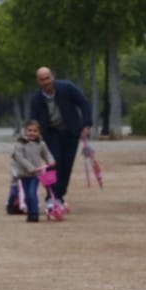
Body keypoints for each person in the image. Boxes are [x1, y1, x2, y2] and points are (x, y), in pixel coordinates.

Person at [28, 67, 92, 209]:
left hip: (70, 131)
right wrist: (32, 136)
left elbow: (84, 103)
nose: (45, 82)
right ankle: (51, 196)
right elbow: (33, 120)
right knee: (53, 164)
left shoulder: (67, 88)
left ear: (53, 77)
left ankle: (59, 196)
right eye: (42, 79)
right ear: (38, 81)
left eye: (47, 78)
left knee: (66, 165)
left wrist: (87, 124)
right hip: (50, 133)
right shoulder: (36, 99)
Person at [9, 119, 53, 224]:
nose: (32, 133)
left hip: (36, 174)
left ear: (39, 132)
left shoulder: (41, 144)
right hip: (24, 174)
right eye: (29, 130)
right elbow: (20, 158)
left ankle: (35, 214)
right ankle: (30, 213)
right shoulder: (20, 144)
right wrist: (30, 167)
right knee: (27, 195)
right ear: (25, 131)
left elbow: (47, 154)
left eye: (35, 131)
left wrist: (51, 161)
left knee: (33, 193)